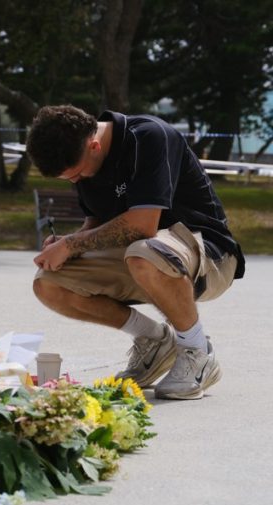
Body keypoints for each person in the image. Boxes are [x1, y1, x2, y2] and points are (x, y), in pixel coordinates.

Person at [26, 105, 245, 400]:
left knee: (144, 252)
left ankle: (197, 351)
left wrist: (72, 245)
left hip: (210, 255)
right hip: (142, 257)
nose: (76, 182)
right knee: (49, 282)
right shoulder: (84, 154)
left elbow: (144, 225)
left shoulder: (148, 137)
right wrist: (68, 243)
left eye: (76, 176)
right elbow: (97, 221)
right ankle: (155, 340)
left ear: (94, 144)